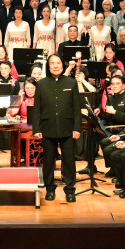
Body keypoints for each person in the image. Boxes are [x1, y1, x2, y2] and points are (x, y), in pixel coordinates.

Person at [34, 54, 80, 202]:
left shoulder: (71, 83)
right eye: (52, 63)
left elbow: (76, 108)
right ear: (48, 66)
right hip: (47, 128)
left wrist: (77, 128)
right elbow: (37, 109)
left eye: (58, 63)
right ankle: (50, 189)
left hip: (68, 129)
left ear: (62, 65)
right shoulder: (41, 84)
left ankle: (70, 190)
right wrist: (37, 129)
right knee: (48, 162)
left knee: (69, 161)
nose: (55, 66)